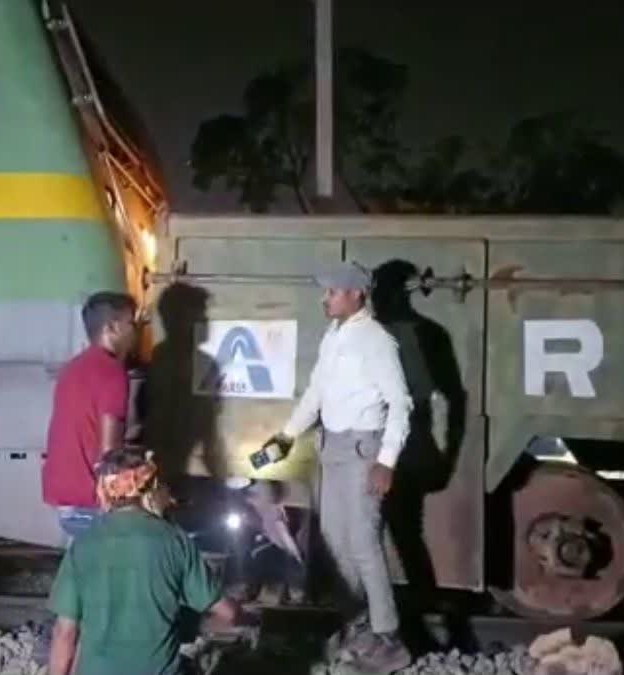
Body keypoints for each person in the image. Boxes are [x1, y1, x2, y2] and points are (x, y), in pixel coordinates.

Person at [260, 261, 413, 672]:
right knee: (334, 539)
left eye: (332, 292)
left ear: (356, 295)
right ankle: (358, 620)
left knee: (363, 542)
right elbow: (316, 393)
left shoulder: (376, 340)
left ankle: (389, 637)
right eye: (326, 291)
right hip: (334, 448)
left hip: (364, 450)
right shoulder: (335, 335)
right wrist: (286, 437)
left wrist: (386, 461)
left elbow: (401, 402)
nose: (324, 298)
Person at [47, 448, 249, 675]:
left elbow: (64, 633)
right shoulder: (173, 540)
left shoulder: (84, 544)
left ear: (106, 489)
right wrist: (242, 617)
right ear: (151, 487)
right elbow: (227, 613)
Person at [42, 291, 139, 541]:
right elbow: (110, 452)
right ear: (113, 327)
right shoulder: (111, 373)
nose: (135, 331)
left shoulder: (72, 368)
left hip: (65, 498)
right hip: (93, 502)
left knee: (86, 574)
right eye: (131, 323)